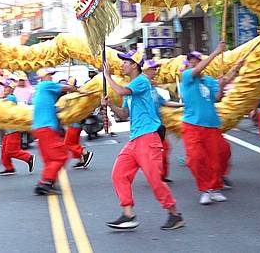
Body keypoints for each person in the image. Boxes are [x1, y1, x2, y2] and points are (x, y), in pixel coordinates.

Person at [102, 49, 185, 231]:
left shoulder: (141, 81)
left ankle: (174, 214)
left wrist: (107, 76)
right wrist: (110, 105)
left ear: (134, 65)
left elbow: (122, 91)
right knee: (119, 173)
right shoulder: (133, 87)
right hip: (134, 140)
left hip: (148, 138)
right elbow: (124, 114)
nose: (122, 64)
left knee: (155, 181)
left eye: (125, 62)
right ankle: (128, 214)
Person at [180, 42, 243, 205]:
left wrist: (235, 69)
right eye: (191, 60)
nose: (194, 62)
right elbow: (197, 70)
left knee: (219, 155)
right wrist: (216, 52)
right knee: (195, 158)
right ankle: (205, 188)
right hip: (192, 125)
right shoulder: (187, 76)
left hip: (211, 125)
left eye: (196, 59)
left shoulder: (208, 81)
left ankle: (213, 188)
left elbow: (217, 97)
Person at [31, 67, 79, 195]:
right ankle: (45, 183)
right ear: (43, 77)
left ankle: (48, 182)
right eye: (49, 75)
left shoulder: (39, 92)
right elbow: (66, 88)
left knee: (49, 159)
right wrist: (76, 89)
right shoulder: (46, 85)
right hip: (47, 129)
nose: (51, 77)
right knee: (61, 156)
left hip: (40, 129)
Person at [141, 60, 184, 183]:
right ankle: (156, 177)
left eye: (155, 69)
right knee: (155, 153)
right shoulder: (140, 87)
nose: (155, 71)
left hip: (158, 126)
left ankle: (161, 176)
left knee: (164, 149)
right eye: (152, 69)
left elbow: (164, 102)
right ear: (145, 71)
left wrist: (181, 105)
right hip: (147, 128)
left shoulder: (153, 88)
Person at [0, 79, 36, 175]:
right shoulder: (5, 97)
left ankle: (28, 157)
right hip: (8, 129)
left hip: (13, 129)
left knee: (12, 151)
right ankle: (9, 168)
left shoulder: (11, 98)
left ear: (11, 89)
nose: (4, 88)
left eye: (6, 87)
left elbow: (2, 105)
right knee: (4, 152)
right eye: (4, 86)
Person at [62, 77, 94, 169]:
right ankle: (81, 159)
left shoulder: (73, 97)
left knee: (68, 144)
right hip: (77, 123)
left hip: (73, 123)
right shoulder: (77, 95)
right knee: (74, 143)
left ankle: (84, 153)